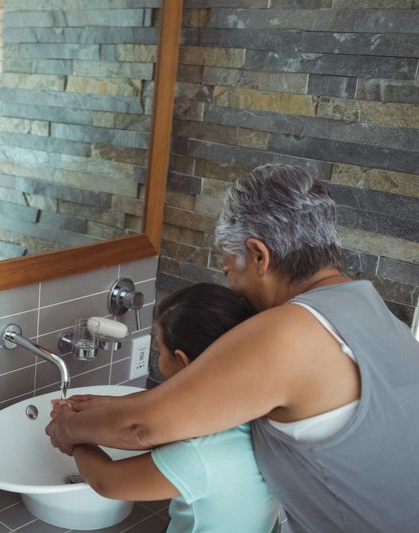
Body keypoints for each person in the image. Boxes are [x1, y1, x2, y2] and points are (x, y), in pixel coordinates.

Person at [45, 164, 419, 532]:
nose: (233, 289)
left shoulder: (293, 331)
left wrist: (68, 429)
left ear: (259, 255)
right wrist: (96, 406)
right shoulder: (372, 312)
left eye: (229, 271)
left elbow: (141, 427)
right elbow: (177, 407)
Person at [64, 283, 280, 533]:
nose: (158, 358)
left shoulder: (198, 455)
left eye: (160, 350)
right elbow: (167, 411)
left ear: (182, 361)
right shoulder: (263, 412)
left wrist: (73, 436)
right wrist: (107, 405)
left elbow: (106, 481)